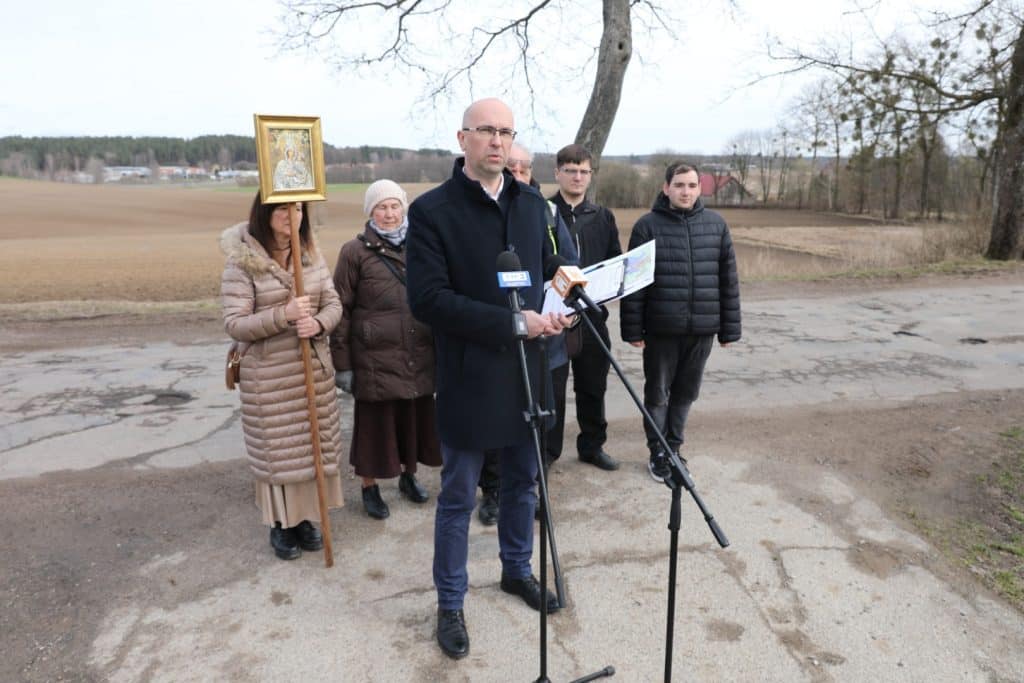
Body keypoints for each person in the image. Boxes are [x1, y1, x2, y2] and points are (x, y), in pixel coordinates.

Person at [406, 98, 571, 660]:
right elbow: (428, 300)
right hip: (470, 376)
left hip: (528, 372)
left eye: (506, 131)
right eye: (486, 131)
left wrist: (565, 298)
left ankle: (516, 569)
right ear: (463, 139)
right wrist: (512, 322)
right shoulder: (433, 211)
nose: (497, 141)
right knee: (458, 497)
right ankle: (450, 602)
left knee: (524, 484)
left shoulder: (531, 204)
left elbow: (548, 269)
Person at [220, 194, 344, 560]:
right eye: (282, 209)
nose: (292, 215)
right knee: (280, 454)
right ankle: (280, 524)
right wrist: (284, 315)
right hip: (270, 378)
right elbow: (235, 324)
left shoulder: (311, 254)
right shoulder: (242, 262)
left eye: (299, 209)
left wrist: (318, 323)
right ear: (265, 213)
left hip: (311, 372)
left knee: (309, 450)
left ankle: (304, 518)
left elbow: (333, 303)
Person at [476, 143, 579, 527]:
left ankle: (535, 488)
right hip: (497, 342)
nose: (517, 174)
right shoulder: (483, 211)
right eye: (511, 167)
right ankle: (492, 491)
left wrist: (568, 308)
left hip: (546, 339)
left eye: (524, 168)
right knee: (495, 423)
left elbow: (567, 265)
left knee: (541, 421)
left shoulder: (545, 211)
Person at [619, 161, 741, 482]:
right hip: (661, 330)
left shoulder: (716, 225)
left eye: (691, 185)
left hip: (702, 330)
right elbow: (634, 282)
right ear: (666, 188)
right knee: (658, 394)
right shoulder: (647, 226)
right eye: (679, 185)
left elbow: (728, 280)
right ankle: (657, 453)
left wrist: (729, 329)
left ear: (699, 188)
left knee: (686, 393)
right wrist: (632, 329)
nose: (685, 192)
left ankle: (673, 447)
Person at [330, 180, 442, 520]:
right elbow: (340, 310)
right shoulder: (354, 252)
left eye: (395, 206)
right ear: (370, 212)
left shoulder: (421, 245)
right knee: (374, 428)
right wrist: (343, 365)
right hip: (373, 358)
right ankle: (369, 487)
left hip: (417, 350)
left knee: (412, 418)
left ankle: (409, 476)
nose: (389, 214)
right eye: (381, 207)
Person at [549, 144, 623, 471]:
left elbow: (614, 261)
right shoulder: (544, 213)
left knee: (593, 386)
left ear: (591, 175)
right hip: (553, 318)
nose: (577, 177)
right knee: (551, 390)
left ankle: (592, 446)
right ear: (558, 173)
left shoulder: (602, 217)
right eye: (570, 170)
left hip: (593, 317)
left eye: (583, 171)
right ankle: (548, 452)